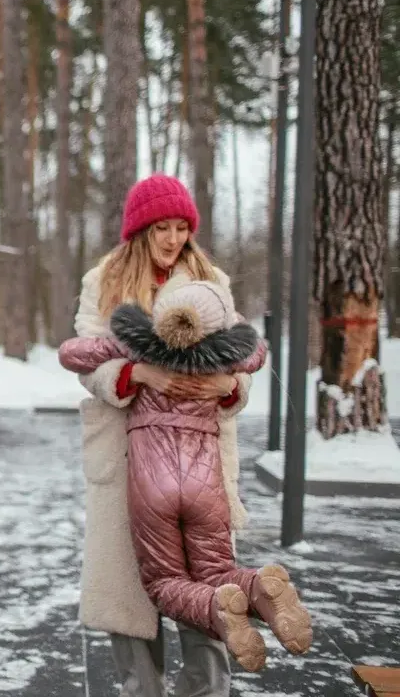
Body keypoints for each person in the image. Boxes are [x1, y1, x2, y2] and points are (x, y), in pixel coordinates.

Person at [59, 277, 312, 672]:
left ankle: (215, 608)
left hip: (152, 482)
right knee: (217, 570)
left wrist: (134, 358)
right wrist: (224, 356)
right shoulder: (224, 353)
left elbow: (72, 353)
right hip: (204, 481)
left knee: (163, 581)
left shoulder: (140, 341)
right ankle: (261, 587)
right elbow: (257, 352)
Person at [73, 174, 256, 696]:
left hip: (197, 457)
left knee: (206, 584)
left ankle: (207, 691)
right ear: (139, 230)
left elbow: (241, 355)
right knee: (130, 594)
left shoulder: (209, 278)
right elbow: (87, 359)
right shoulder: (103, 281)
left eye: (181, 227)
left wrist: (228, 386)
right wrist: (137, 376)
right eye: (162, 228)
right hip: (129, 450)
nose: (173, 239)